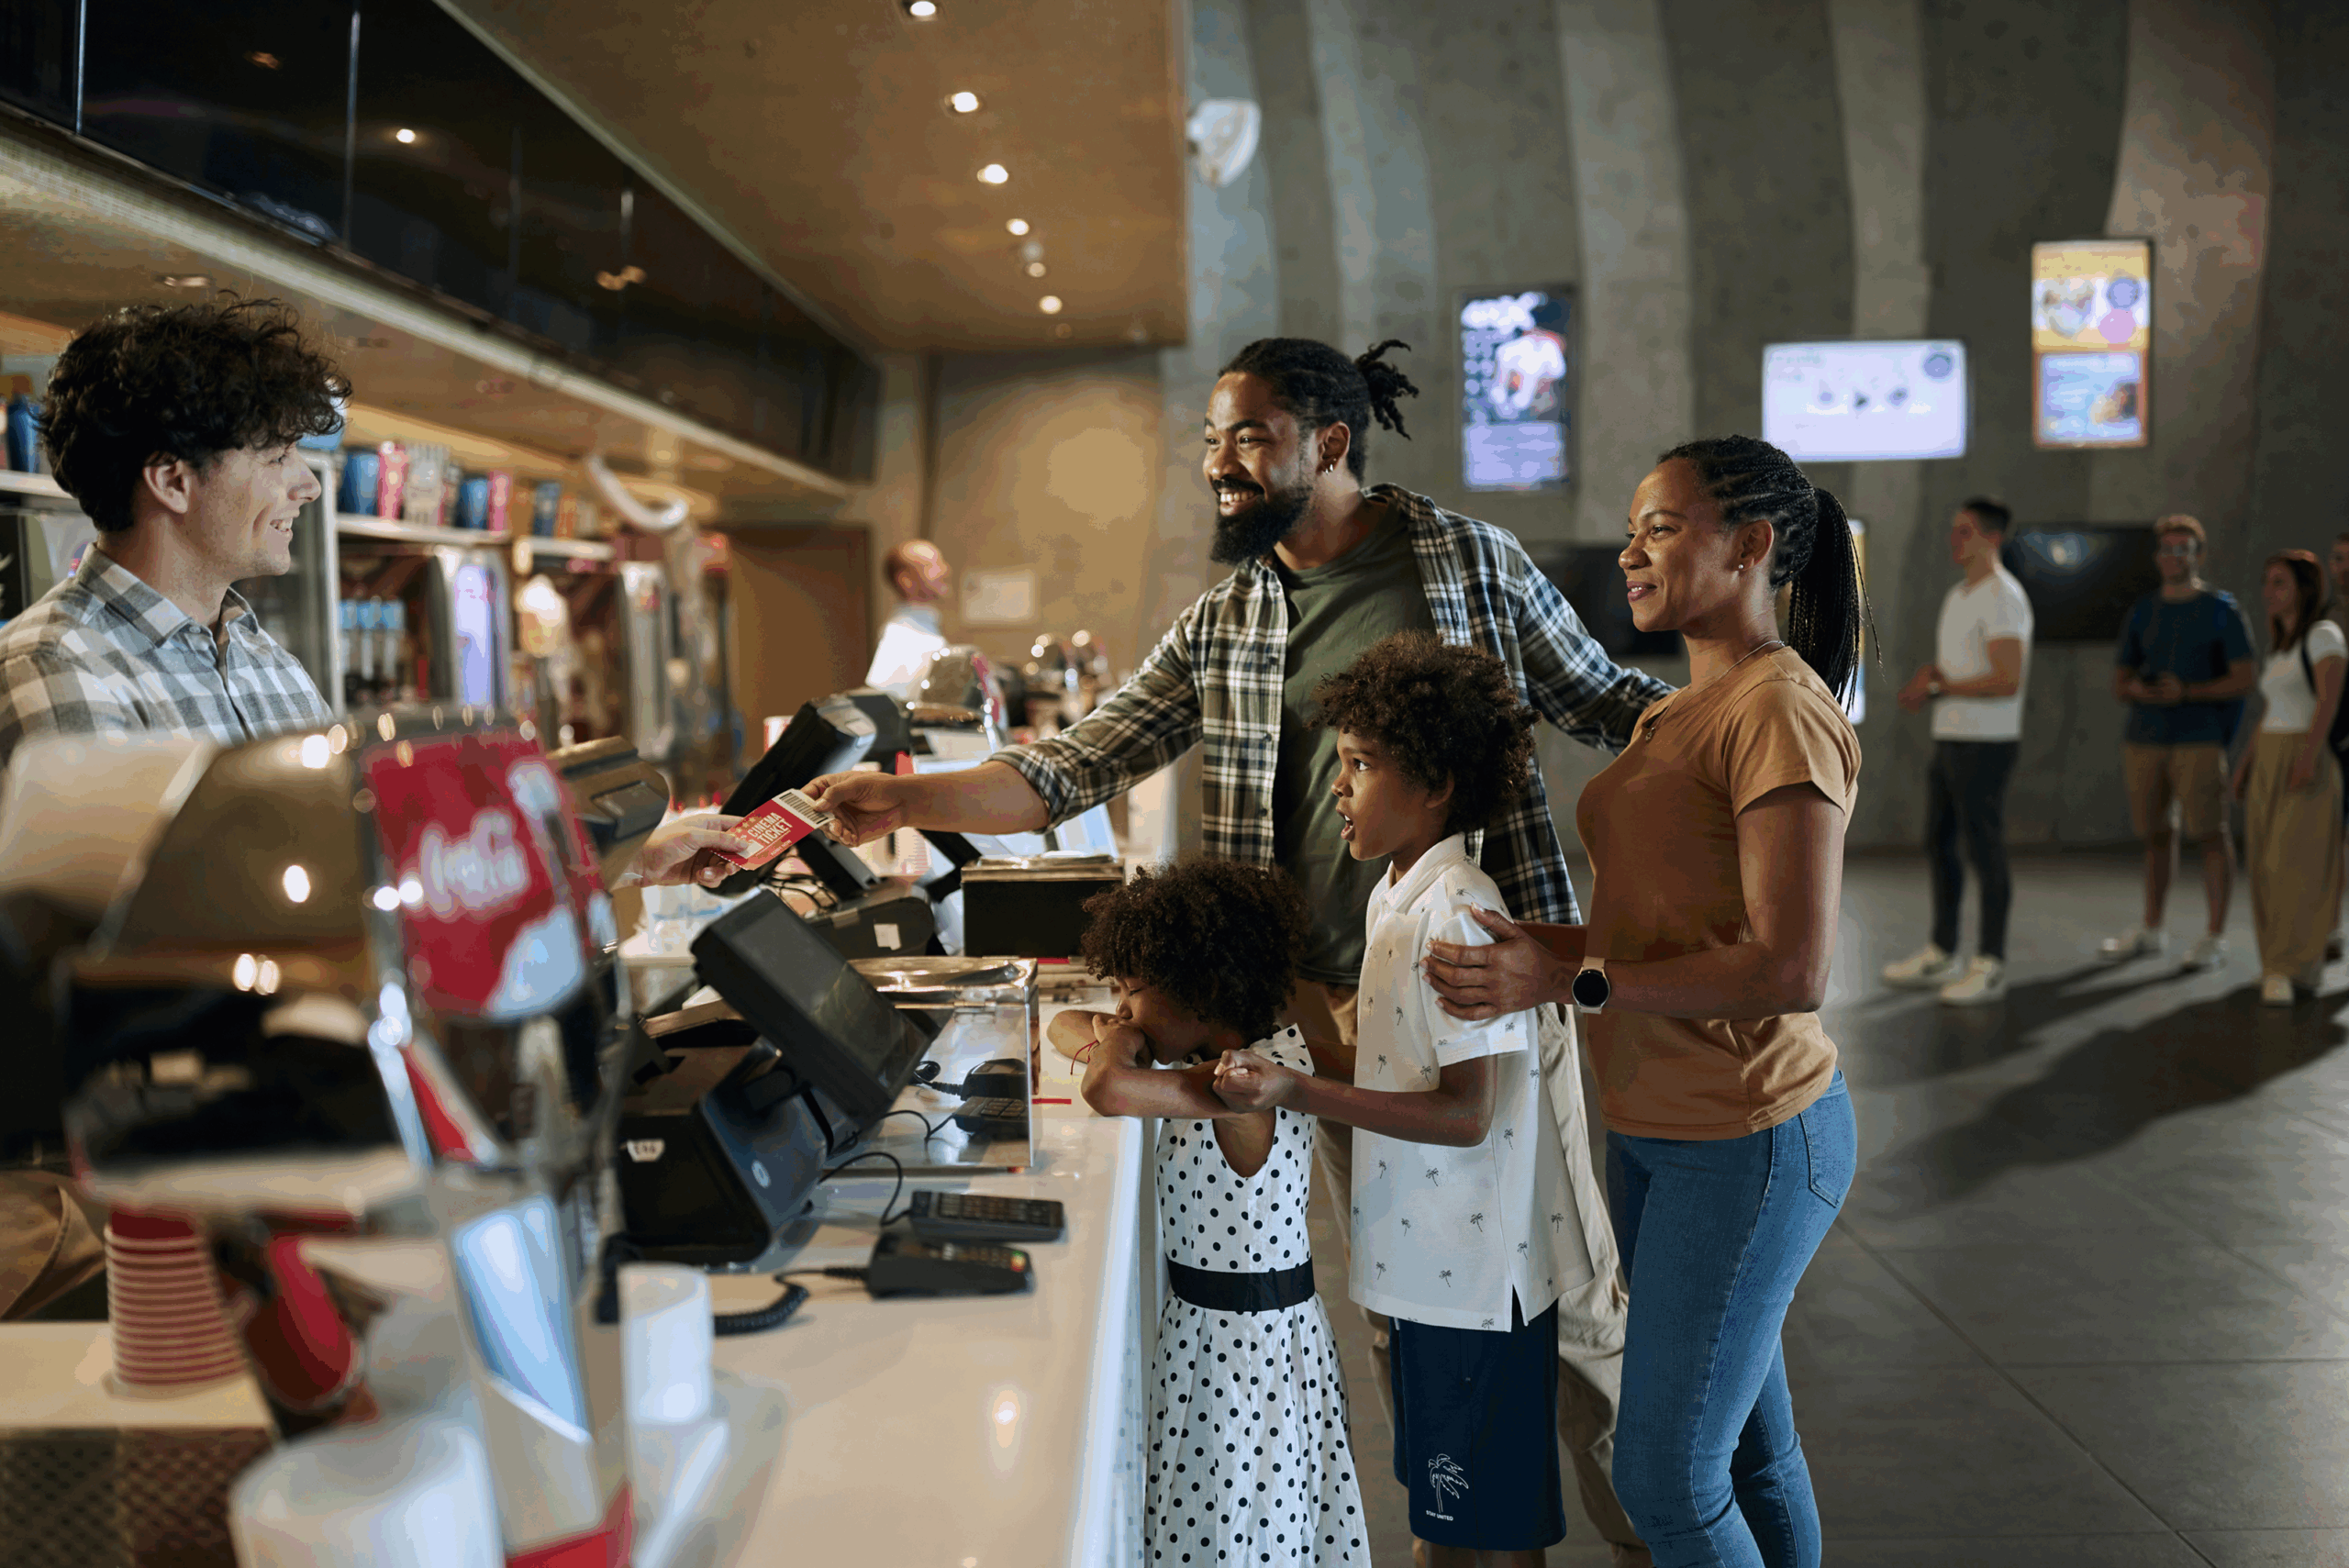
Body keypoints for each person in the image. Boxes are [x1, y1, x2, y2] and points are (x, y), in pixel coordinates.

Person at [810, 338, 1661, 1565]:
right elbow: (1073, 765)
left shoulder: (1466, 558)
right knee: (1411, 1296)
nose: (1219, 462)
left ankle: (1660, 1535)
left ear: (1330, 441)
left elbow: (1610, 702)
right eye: (1211, 439)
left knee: (1571, 1310)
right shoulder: (1228, 615)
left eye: (1248, 436)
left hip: (1483, 980)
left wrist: (1772, 722)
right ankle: (1462, 1525)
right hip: (1322, 999)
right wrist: (904, 798)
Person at [1416, 436, 1863, 1568]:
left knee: (1662, 1475)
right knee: (1747, 1452)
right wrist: (1535, 948)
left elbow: (1790, 967)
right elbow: (1657, 932)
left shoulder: (1779, 708)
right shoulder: (1675, 711)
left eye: (1660, 528)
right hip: (1659, 1128)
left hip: (1749, 1133)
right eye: (1631, 530)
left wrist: (1571, 978)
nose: (1629, 552)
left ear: (1750, 545)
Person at [1213, 631, 1586, 1568]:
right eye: (1337, 762)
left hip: (1475, 1286)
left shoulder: (1455, 913)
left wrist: (1300, 1087)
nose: (1336, 788)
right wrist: (1282, 1036)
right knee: (1446, 1520)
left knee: (1490, 1532)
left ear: (1437, 785)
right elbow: (1387, 1069)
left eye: (1361, 764)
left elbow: (1467, 1111)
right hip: (1430, 1273)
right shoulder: (1395, 896)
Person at [1046, 859, 1366, 1566]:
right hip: (1227, 1340)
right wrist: (1120, 1029)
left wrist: (1116, 1043)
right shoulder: (1254, 1059)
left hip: (1242, 1362)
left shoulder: (1239, 1089)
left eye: (1132, 991)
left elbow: (1107, 1087)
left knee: (1233, 1530)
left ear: (1201, 987)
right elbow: (1065, 1026)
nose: (1120, 1008)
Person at [1880, 496, 2032, 1006]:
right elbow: (1961, 669)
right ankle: (1942, 952)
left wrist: (1940, 688)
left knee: (1984, 850)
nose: (1954, 540)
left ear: (1993, 538)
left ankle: (1990, 963)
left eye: (1965, 531)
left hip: (1988, 744)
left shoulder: (2004, 596)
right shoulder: (1959, 595)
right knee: (1940, 843)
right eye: (1954, 530)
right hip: (1952, 738)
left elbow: (2007, 680)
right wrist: (1931, 680)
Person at [2099, 516, 2255, 970]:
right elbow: (2119, 683)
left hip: (2199, 739)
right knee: (2155, 835)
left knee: (2211, 834)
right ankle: (2151, 929)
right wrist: (2140, 690)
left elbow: (2245, 678)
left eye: (2182, 549)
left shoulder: (2222, 610)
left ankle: (2214, 937)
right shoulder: (2143, 611)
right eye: (2166, 549)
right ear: (2157, 557)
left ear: (2198, 555)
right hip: (2144, 738)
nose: (2173, 557)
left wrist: (2187, 692)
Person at [2234, 550, 2343, 1006]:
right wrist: (2245, 765)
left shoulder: (2323, 635)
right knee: (2263, 864)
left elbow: (2328, 700)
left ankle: (2294, 967)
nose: (2268, 591)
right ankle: (2274, 965)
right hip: (2270, 756)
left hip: (2304, 754)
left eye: (2279, 582)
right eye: (2266, 581)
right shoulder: (2280, 646)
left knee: (2294, 866)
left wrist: (2309, 755)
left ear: (2303, 588)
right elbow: (2270, 712)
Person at [865, 539, 952, 698]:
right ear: (906, 581)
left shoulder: (926, 625)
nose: (945, 571)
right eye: (932, 566)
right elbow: (892, 702)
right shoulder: (901, 635)